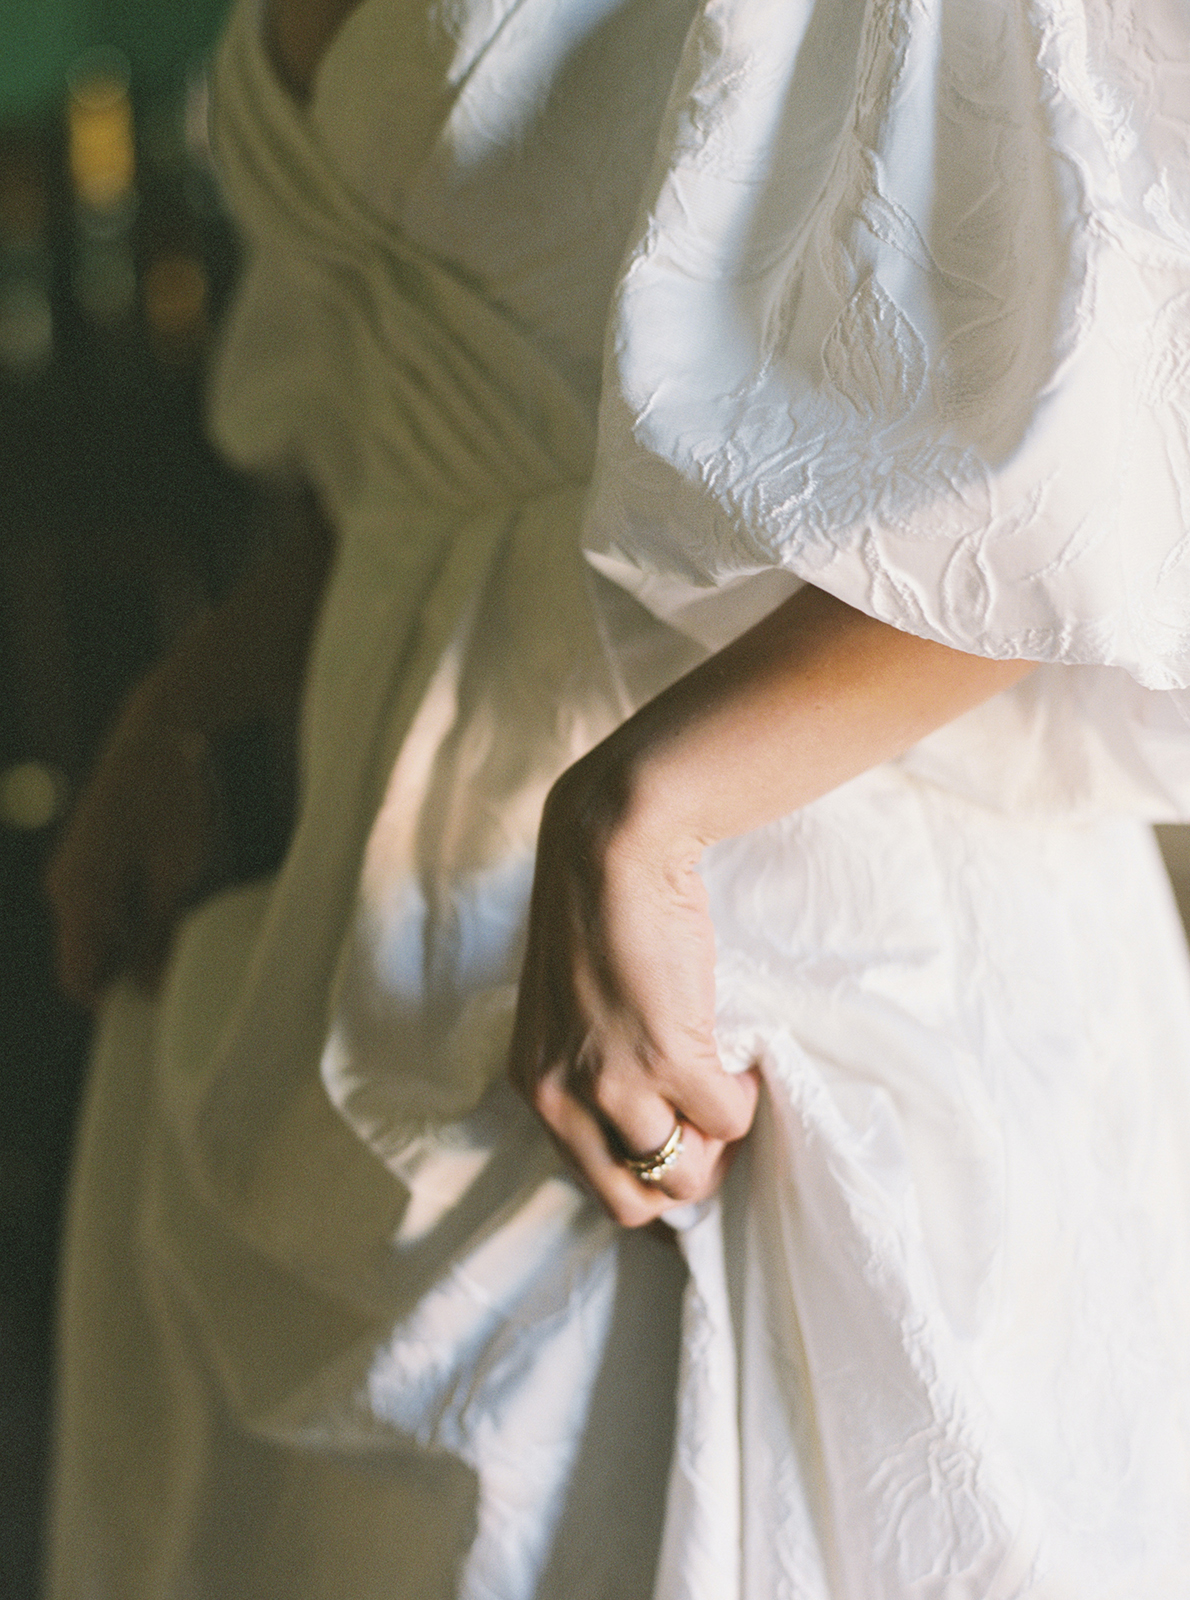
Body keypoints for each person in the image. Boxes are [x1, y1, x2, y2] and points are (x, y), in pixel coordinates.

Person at [45, 0, 1190, 1594]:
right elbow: (423, 448)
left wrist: (648, 812)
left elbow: (1109, 446)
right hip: (359, 931)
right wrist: (186, 704)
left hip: (778, 940)